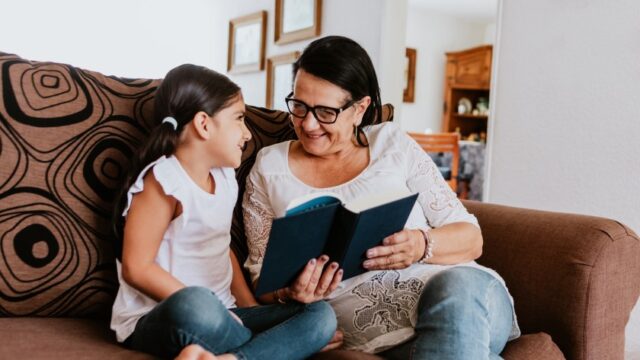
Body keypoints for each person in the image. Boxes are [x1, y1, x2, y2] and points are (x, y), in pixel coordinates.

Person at [242, 36, 520, 359]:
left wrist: (420, 244)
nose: (308, 123)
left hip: (467, 300)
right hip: (376, 336)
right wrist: (290, 292)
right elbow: (261, 277)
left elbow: (471, 239)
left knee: (453, 290)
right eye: (299, 106)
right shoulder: (268, 167)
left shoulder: (392, 144)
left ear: (359, 109)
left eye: (326, 112)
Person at [110, 64, 337, 360]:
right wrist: (220, 312)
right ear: (204, 124)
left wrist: (251, 310)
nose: (246, 134)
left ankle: (231, 357)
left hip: (228, 315)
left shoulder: (225, 177)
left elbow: (222, 247)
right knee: (196, 303)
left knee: (321, 315)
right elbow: (136, 268)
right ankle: (266, 349)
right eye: (239, 119)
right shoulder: (163, 181)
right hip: (166, 315)